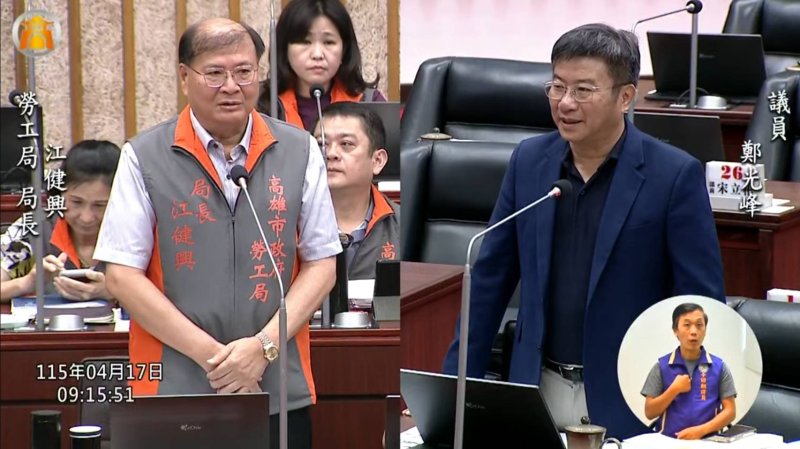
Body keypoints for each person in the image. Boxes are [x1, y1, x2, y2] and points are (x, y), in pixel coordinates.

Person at [441, 23, 725, 439]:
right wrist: (454, 391)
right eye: (557, 87)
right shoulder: (529, 162)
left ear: (625, 97)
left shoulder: (673, 175)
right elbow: (488, 284)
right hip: (538, 391)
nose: (565, 103)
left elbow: (699, 300)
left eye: (583, 90)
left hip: (631, 399)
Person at [93, 18, 340, 449]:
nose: (231, 87)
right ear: (184, 77)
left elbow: (322, 264)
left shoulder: (300, 150)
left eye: (244, 72)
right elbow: (122, 276)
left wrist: (260, 349)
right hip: (172, 390)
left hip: (276, 388)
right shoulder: (144, 156)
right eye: (215, 73)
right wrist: (221, 362)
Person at [0, 140, 120, 302]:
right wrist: (27, 282)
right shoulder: (32, 227)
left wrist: (115, 291)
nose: (86, 217)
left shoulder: (138, 232)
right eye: (76, 202)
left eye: (100, 205)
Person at [257, 0, 384, 132]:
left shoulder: (370, 102)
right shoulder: (259, 103)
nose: (317, 54)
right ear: (285, 48)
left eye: (329, 42)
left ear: (344, 49)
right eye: (305, 42)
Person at [313, 102, 399, 280]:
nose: (331, 154)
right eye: (321, 144)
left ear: (377, 161)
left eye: (346, 144)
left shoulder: (403, 225)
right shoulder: (289, 225)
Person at [641, 303, 736, 440]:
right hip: (669, 441)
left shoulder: (719, 366)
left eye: (699, 325)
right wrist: (674, 389)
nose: (694, 331)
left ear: (705, 329)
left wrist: (700, 431)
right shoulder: (661, 366)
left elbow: (730, 411)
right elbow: (650, 412)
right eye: (687, 325)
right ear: (675, 330)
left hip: (709, 441)